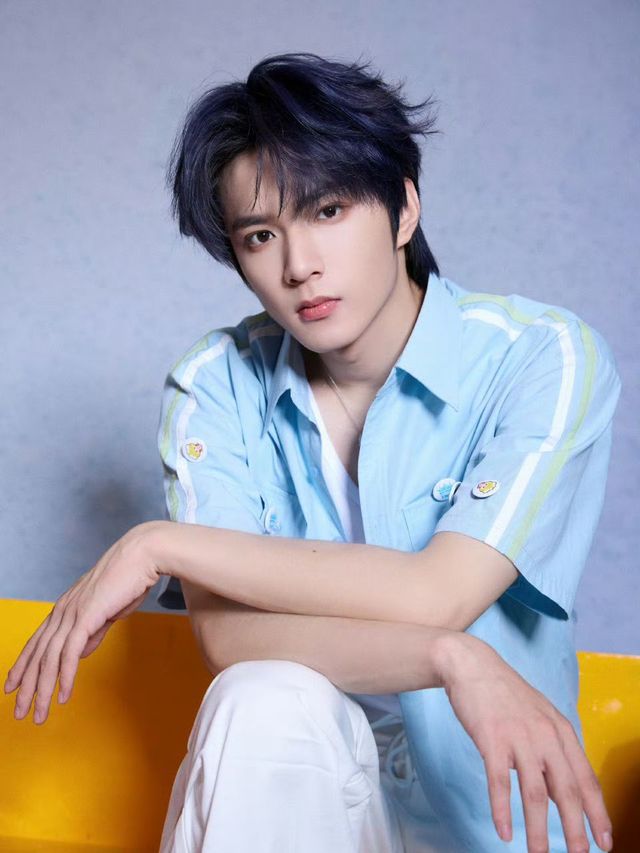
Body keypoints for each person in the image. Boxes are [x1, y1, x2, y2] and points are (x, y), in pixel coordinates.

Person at [4, 52, 621, 853]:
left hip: (493, 826)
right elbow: (229, 643)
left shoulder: (541, 357)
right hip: (308, 816)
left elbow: (439, 592)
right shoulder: (216, 383)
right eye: (261, 235)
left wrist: (159, 544)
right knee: (259, 697)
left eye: (328, 211)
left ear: (404, 208)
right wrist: (447, 657)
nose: (299, 267)